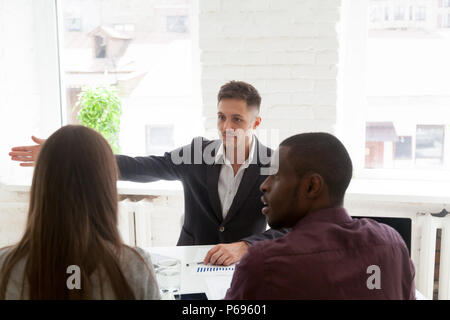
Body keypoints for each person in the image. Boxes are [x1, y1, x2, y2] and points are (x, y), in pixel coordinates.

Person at [9, 81, 288, 266]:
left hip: (242, 266)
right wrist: (69, 153)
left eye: (236, 119)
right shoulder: (196, 152)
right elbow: (141, 166)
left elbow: (289, 229)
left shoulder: (273, 165)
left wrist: (245, 247)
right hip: (190, 262)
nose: (226, 126)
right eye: (221, 116)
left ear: (256, 121)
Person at [225, 132, 416, 299]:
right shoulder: (393, 245)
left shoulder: (265, 263)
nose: (264, 185)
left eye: (276, 176)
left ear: (312, 186)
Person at [0, 125, 160, 299]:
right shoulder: (133, 266)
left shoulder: (5, 267)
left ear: (41, 186)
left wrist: (58, 157)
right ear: (105, 188)